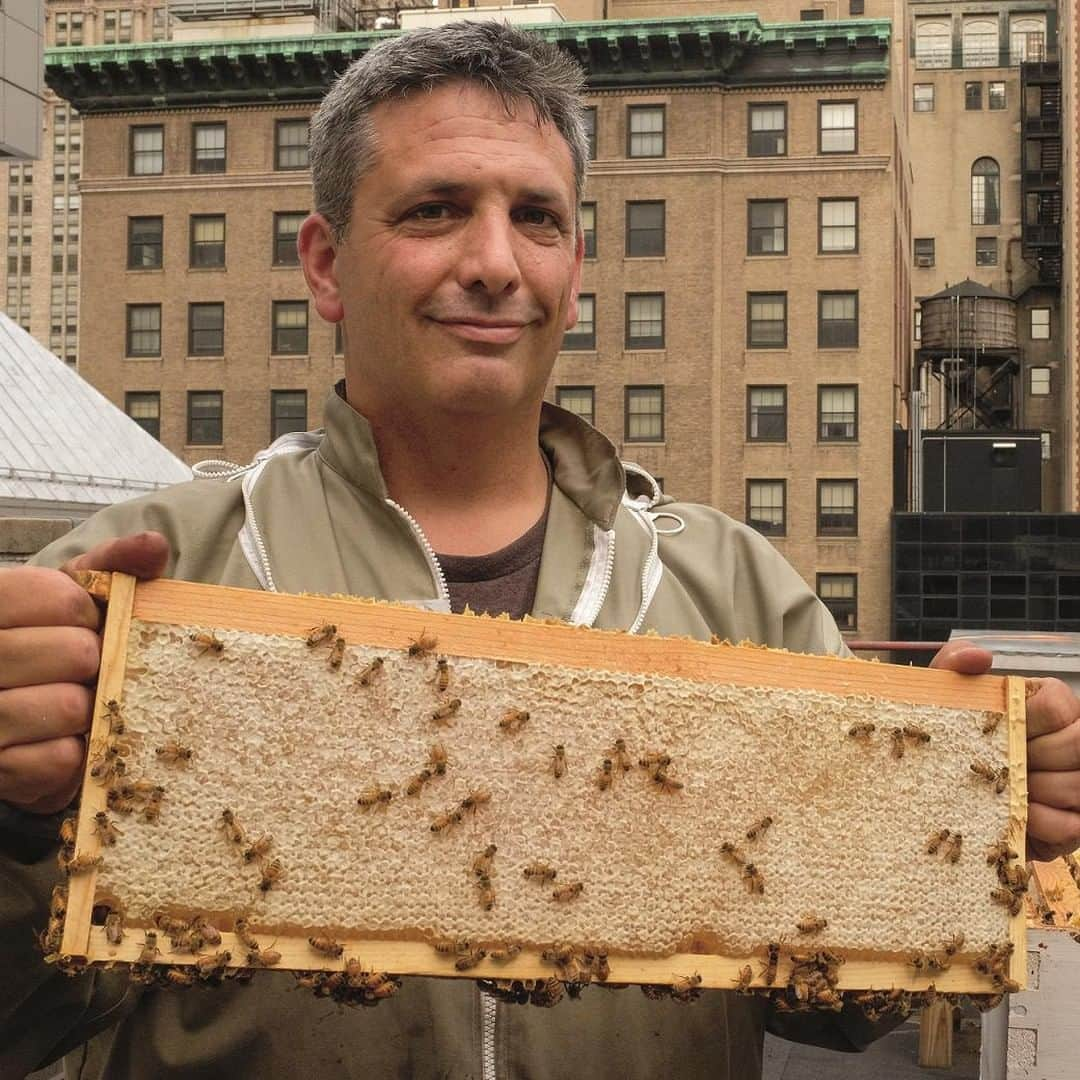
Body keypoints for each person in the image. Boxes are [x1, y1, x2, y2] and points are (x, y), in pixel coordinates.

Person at [2, 21, 1078, 1080]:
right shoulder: (139, 573)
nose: (493, 263)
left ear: (575, 270)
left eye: (538, 219)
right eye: (434, 211)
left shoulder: (736, 586)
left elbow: (852, 1002)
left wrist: (957, 820)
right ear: (326, 266)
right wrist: (8, 820)